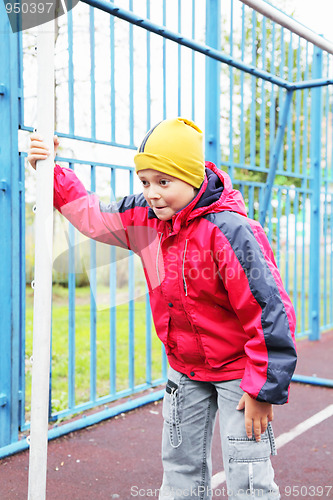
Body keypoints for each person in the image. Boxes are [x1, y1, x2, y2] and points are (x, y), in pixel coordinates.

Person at [28, 117, 297, 500]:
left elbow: (269, 311)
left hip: (241, 372)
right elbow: (92, 217)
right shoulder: (145, 218)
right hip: (185, 368)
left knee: (248, 475)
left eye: (163, 182)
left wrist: (263, 390)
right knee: (180, 466)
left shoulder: (231, 231)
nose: (152, 193)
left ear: (191, 176)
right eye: (145, 182)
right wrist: (50, 171)